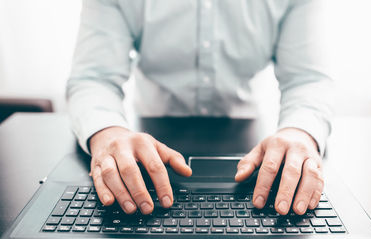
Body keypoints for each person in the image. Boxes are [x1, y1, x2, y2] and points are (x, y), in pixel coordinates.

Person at [67, 0, 332, 217]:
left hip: (249, 147)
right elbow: (94, 78)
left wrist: (300, 133)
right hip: (145, 151)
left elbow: (307, 79)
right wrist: (108, 134)